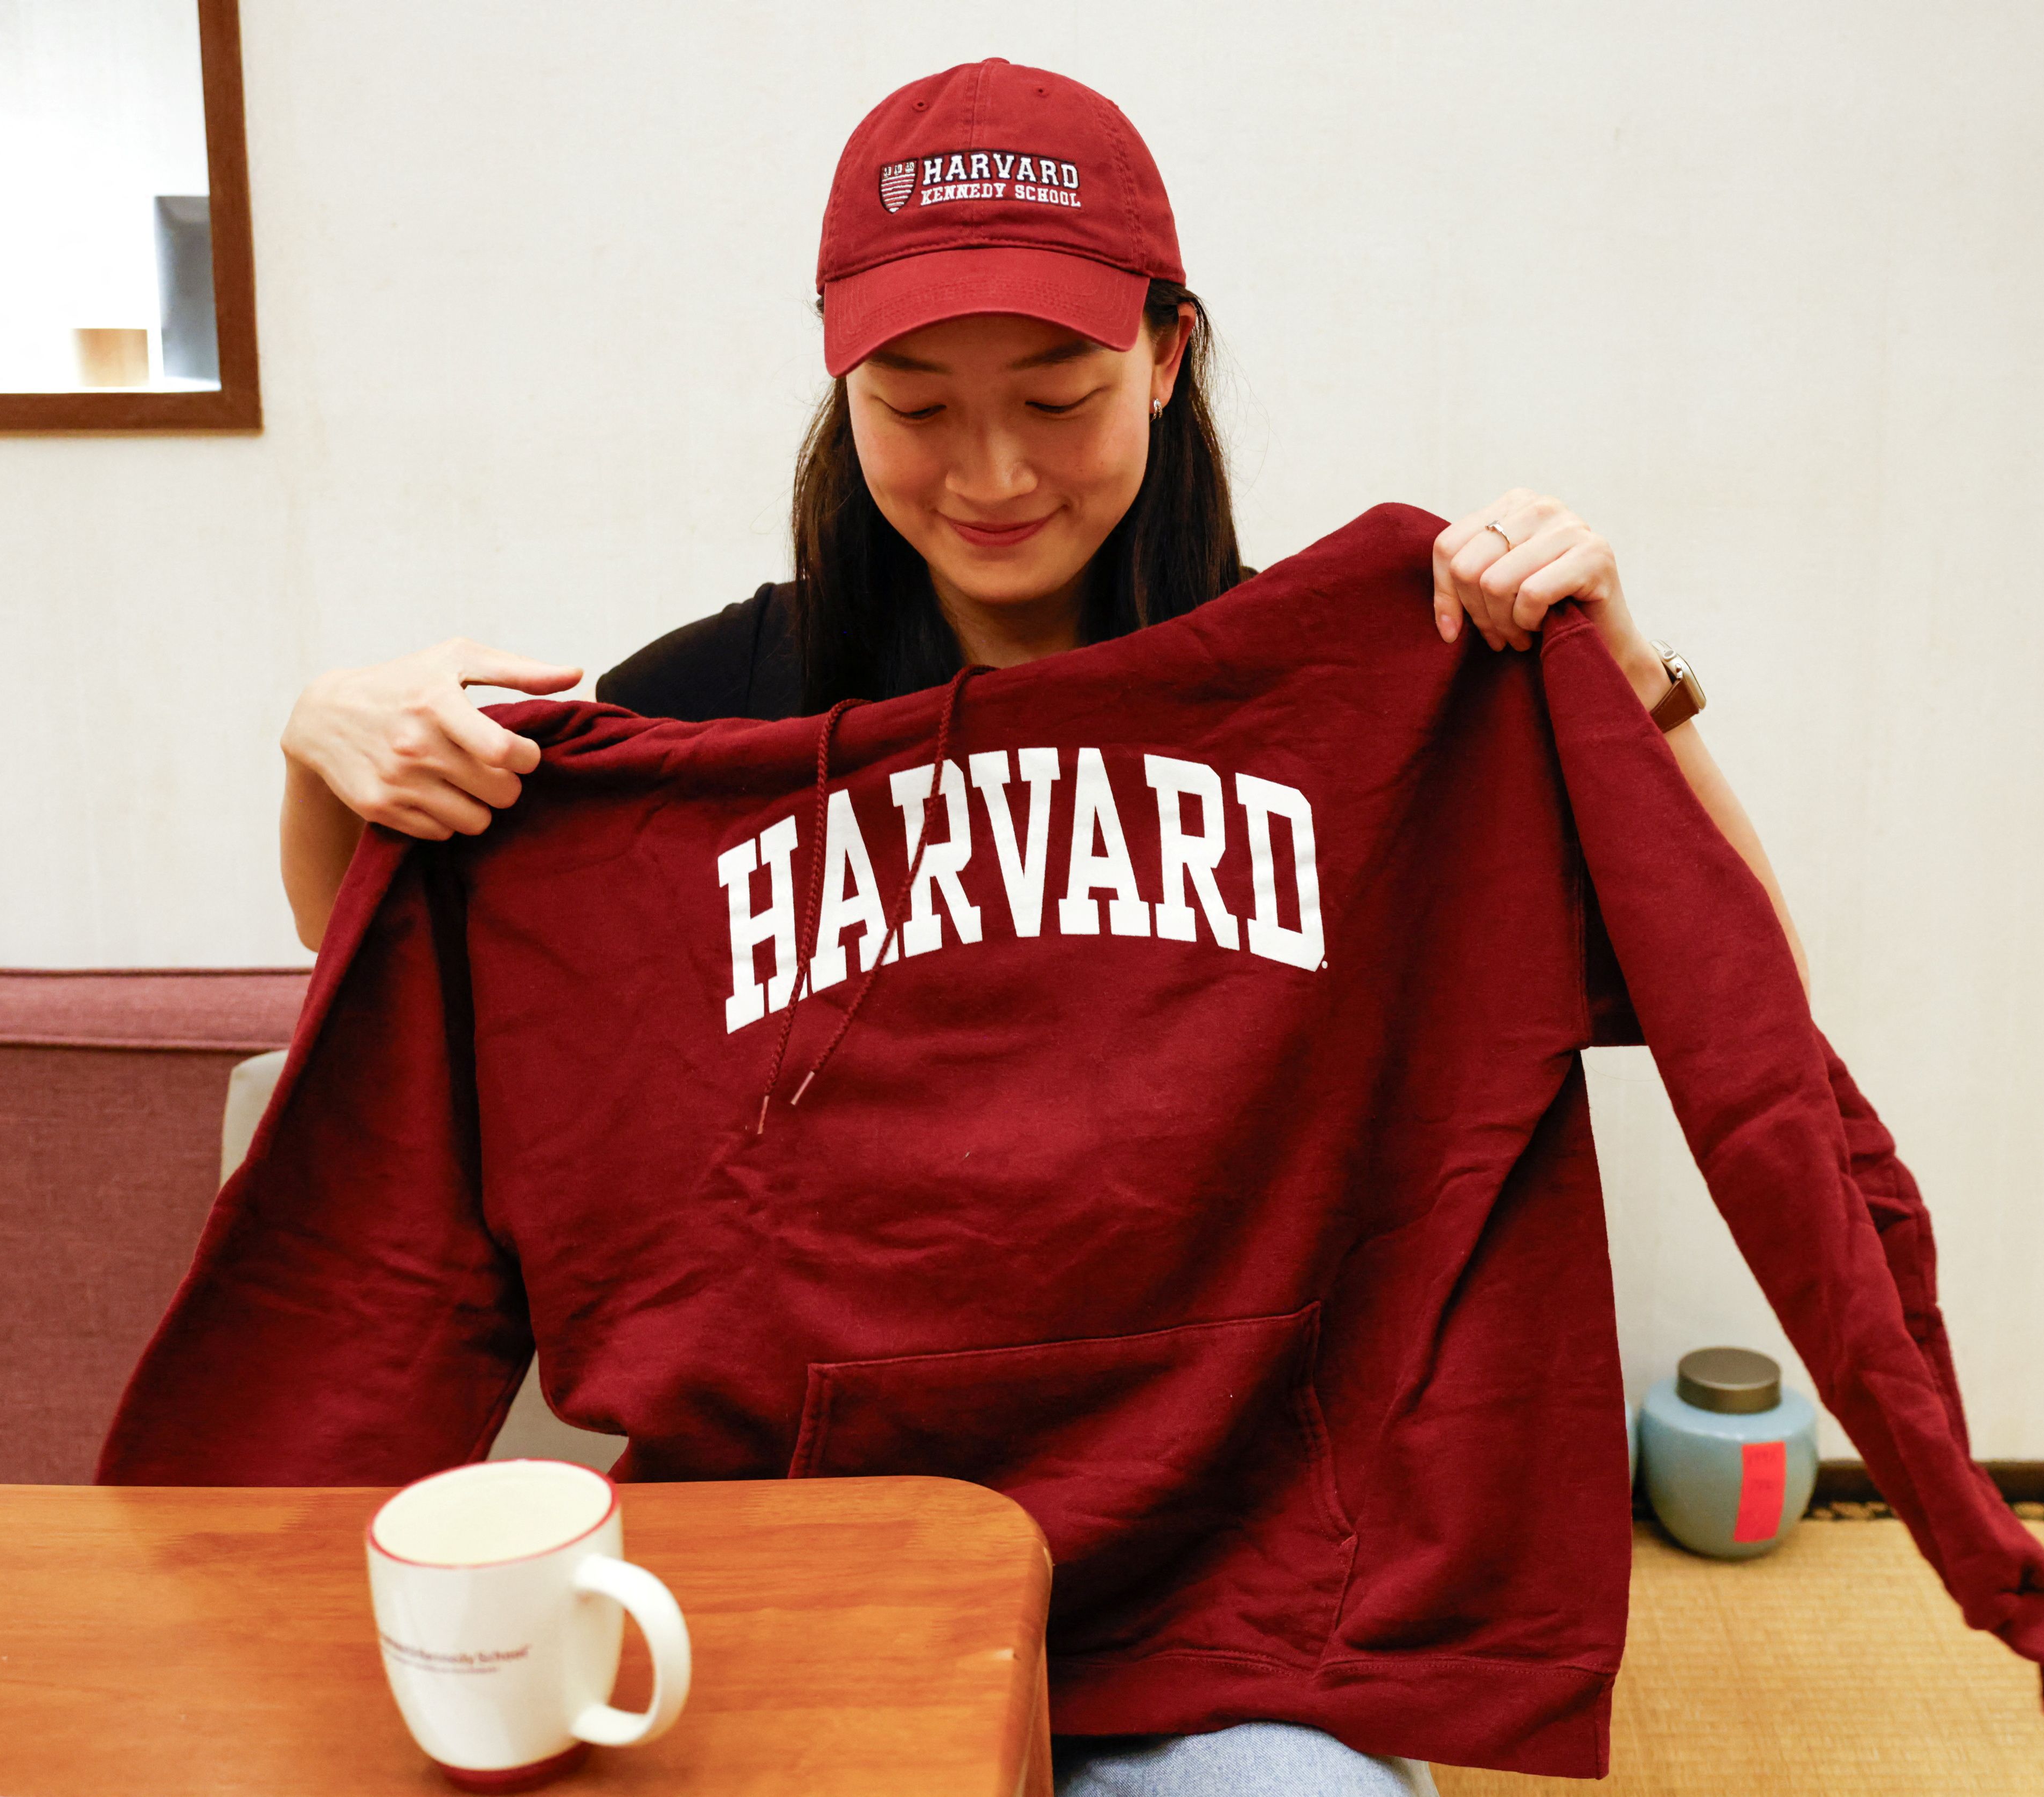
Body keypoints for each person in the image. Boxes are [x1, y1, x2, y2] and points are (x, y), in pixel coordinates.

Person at [268, 59, 1811, 1796]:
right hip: (798, 1573)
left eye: (1060, 393)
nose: (991, 473)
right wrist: (329, 754)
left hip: (1239, 1599)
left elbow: (1743, 996)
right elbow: (443, 1036)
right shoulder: (721, 713)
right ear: (840, 382)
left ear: (1167, 353)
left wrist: (1626, 668)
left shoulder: (1358, 711)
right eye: (916, 403)